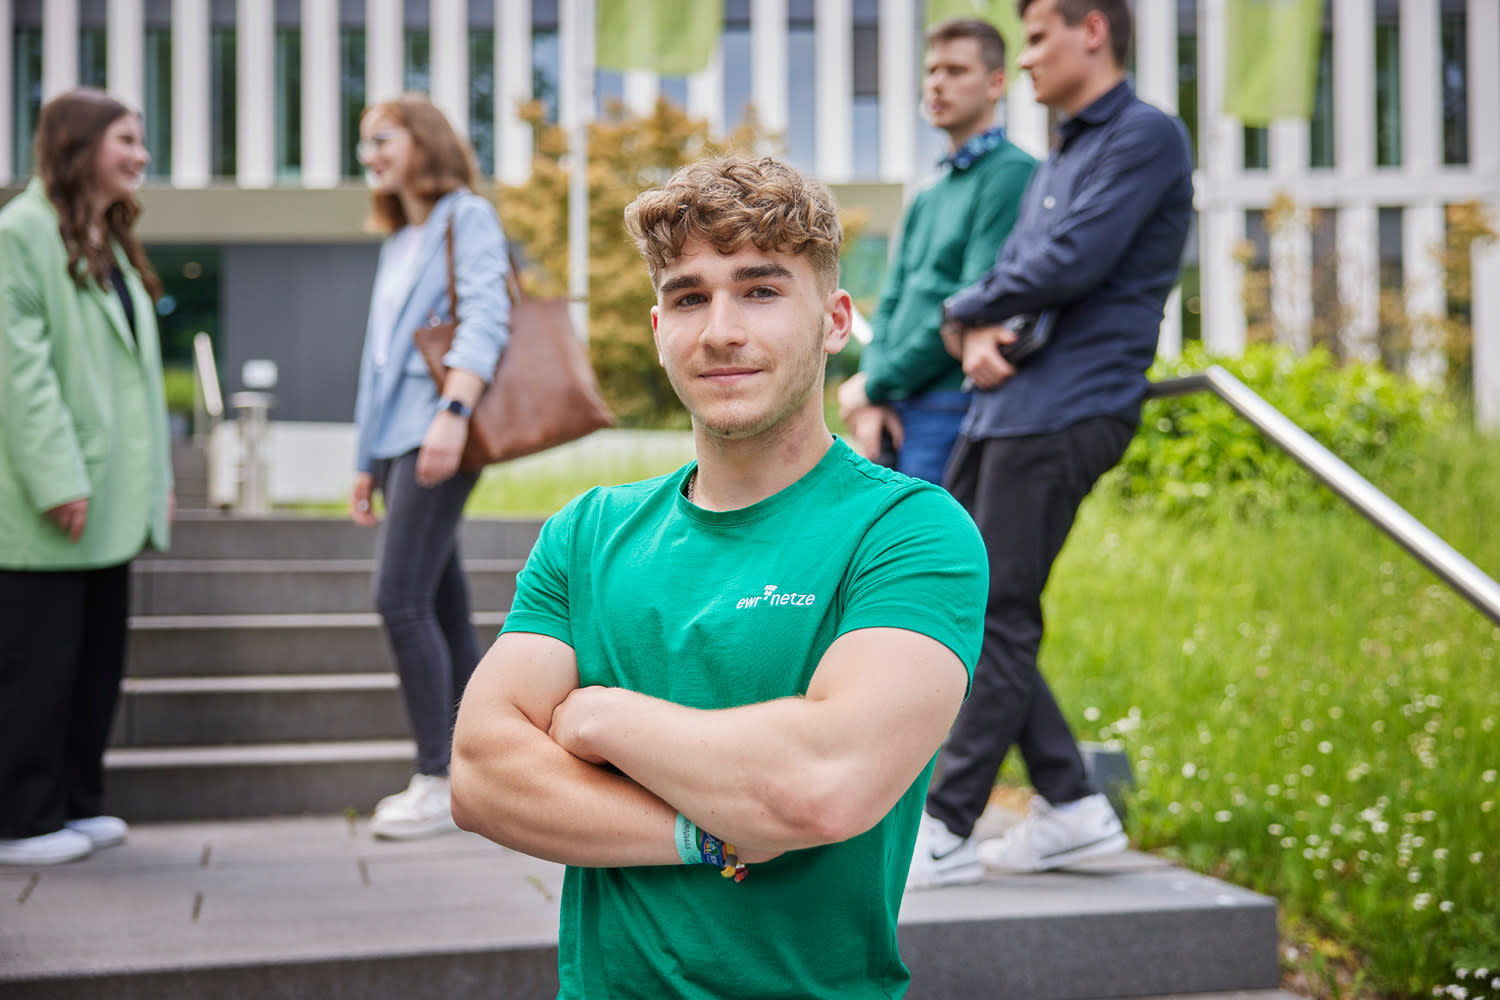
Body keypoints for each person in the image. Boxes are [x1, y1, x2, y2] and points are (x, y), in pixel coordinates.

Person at [449, 155, 988, 998]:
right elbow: (483, 774)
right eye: (690, 296)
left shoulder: (908, 532)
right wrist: (710, 834)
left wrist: (599, 716)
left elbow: (821, 787)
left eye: (762, 290)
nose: (720, 330)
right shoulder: (587, 533)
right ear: (660, 325)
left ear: (835, 320)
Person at [908, 0, 1195, 886]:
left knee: (996, 610)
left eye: (1036, 38)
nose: (1025, 59)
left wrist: (963, 313)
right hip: (1006, 408)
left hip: (1069, 409)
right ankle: (1070, 803)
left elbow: (1070, 260)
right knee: (965, 595)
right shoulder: (1065, 150)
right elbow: (1018, 272)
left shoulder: (1145, 137)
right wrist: (981, 328)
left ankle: (947, 827)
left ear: (1093, 31)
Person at [0, 89, 173, 867]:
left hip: (113, 498)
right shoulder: (20, 234)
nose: (140, 155)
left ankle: (75, 800)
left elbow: (133, 377)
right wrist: (57, 478)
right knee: (37, 664)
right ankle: (21, 816)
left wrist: (156, 478)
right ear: (78, 145)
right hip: (51, 500)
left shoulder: (104, 239)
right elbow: (18, 372)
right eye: (126, 140)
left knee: (94, 659)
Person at [349, 94, 510, 840]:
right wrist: (363, 460)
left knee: (399, 599)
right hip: (398, 439)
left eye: (381, 139)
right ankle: (486, 770)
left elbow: (486, 316)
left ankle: (439, 775)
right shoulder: (401, 240)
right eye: (364, 143)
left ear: (425, 141)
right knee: (439, 604)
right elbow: (378, 364)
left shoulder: (464, 217)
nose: (369, 155)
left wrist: (453, 411)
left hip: (437, 430)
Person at [837, 17, 1035, 485]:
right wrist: (876, 386)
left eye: (956, 70)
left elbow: (971, 302)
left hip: (948, 402)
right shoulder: (928, 191)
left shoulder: (1013, 175)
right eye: (932, 71)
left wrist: (874, 385)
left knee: (929, 549)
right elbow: (891, 300)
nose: (938, 84)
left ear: (996, 83)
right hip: (893, 398)